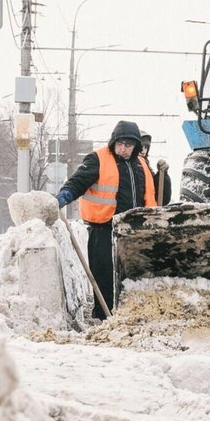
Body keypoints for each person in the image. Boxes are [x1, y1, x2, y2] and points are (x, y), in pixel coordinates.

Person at [56, 121, 157, 319]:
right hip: (104, 229)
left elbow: (155, 194)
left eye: (128, 145)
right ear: (113, 142)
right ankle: (104, 316)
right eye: (120, 144)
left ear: (136, 146)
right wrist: (65, 195)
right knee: (104, 276)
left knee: (132, 277)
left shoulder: (141, 165)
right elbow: (78, 181)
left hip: (134, 232)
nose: (123, 148)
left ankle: (129, 315)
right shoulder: (98, 159)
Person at [140, 133, 172, 205]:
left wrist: (162, 175)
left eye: (146, 147)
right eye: (140, 147)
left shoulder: (148, 169)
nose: (143, 151)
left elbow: (163, 199)